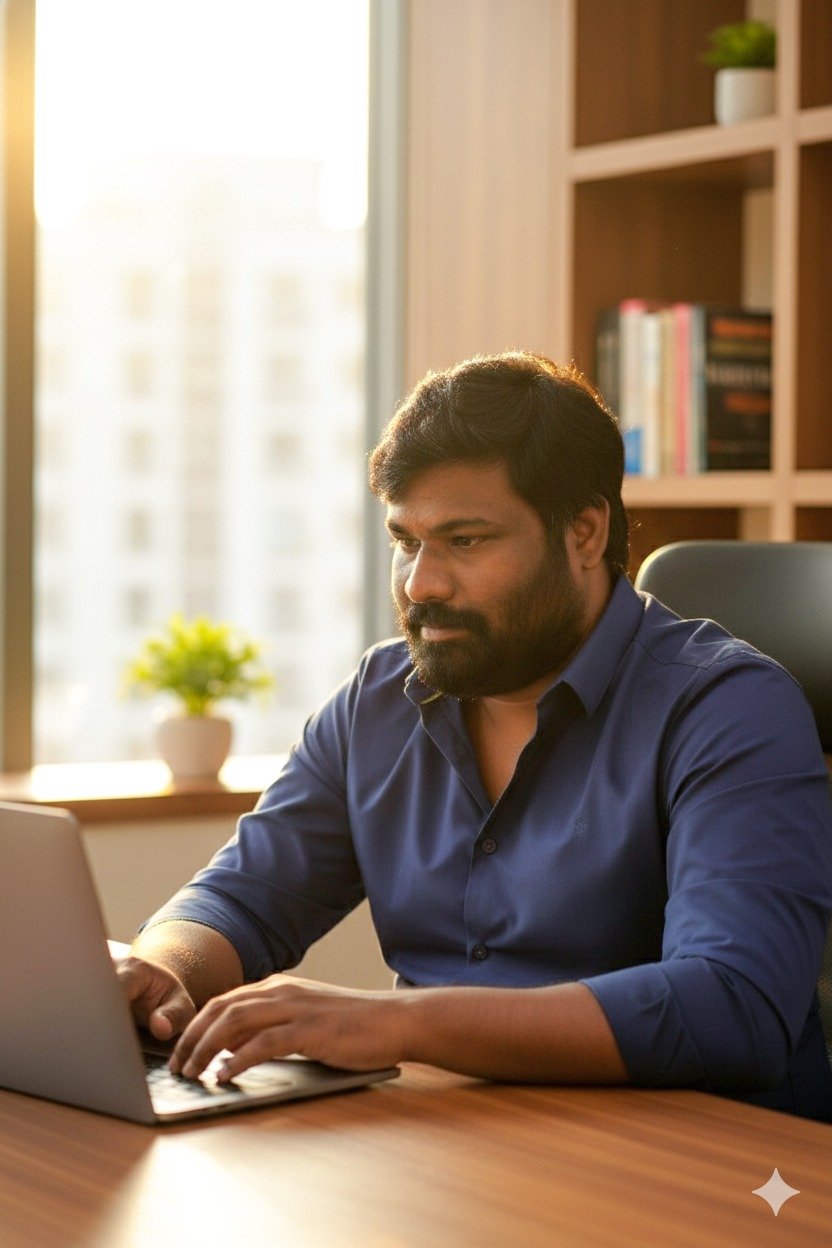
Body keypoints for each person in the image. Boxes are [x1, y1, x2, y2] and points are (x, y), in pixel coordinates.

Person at [119, 351, 832, 1120]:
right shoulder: (379, 702)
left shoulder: (729, 708)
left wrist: (396, 1023)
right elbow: (243, 899)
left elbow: (732, 1006)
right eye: (405, 541)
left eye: (465, 541)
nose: (422, 584)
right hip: (468, 1142)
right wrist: (165, 970)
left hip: (707, 1170)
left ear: (585, 533)